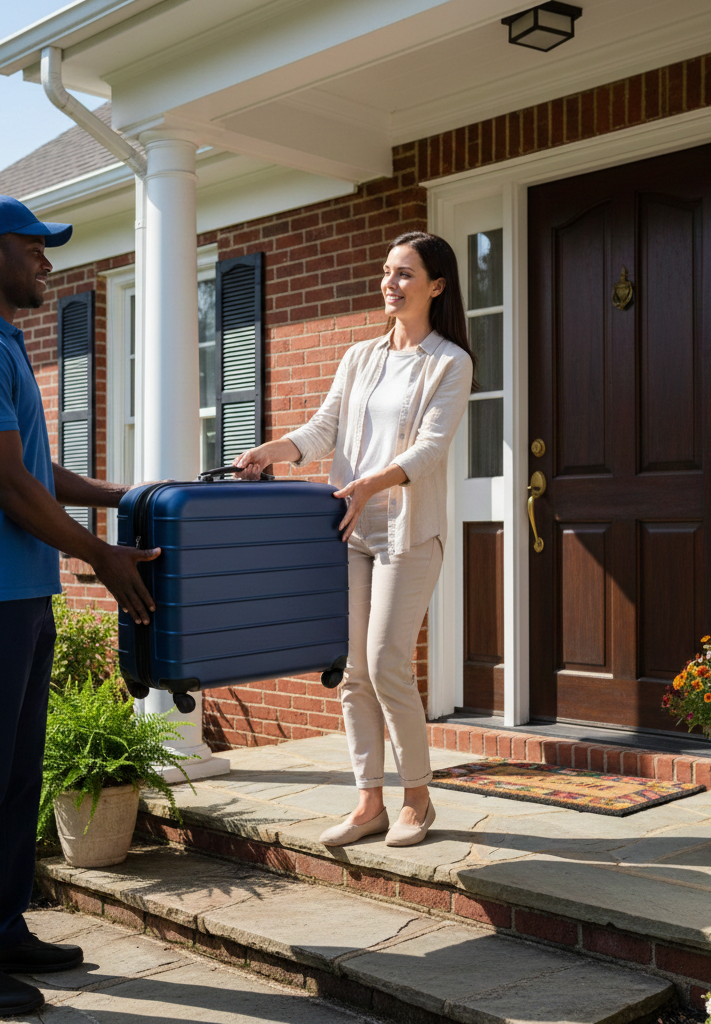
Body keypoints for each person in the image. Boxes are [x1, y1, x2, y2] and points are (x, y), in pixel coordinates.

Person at [0, 195, 160, 1017]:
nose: (46, 262)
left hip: (18, 590)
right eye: (34, 249)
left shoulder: (0, 344)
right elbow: (6, 486)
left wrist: (131, 496)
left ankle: (0, 927)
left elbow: (40, 474)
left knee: (16, 776)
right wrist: (103, 555)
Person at [235, 231, 474, 848]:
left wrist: (371, 483)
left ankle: (417, 799)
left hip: (406, 531)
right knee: (351, 673)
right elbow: (323, 430)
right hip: (348, 528)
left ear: (436, 286)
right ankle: (368, 800)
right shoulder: (360, 357)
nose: (390, 285)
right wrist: (274, 450)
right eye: (387, 272)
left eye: (404, 275)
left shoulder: (450, 362)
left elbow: (429, 448)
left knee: (387, 662)